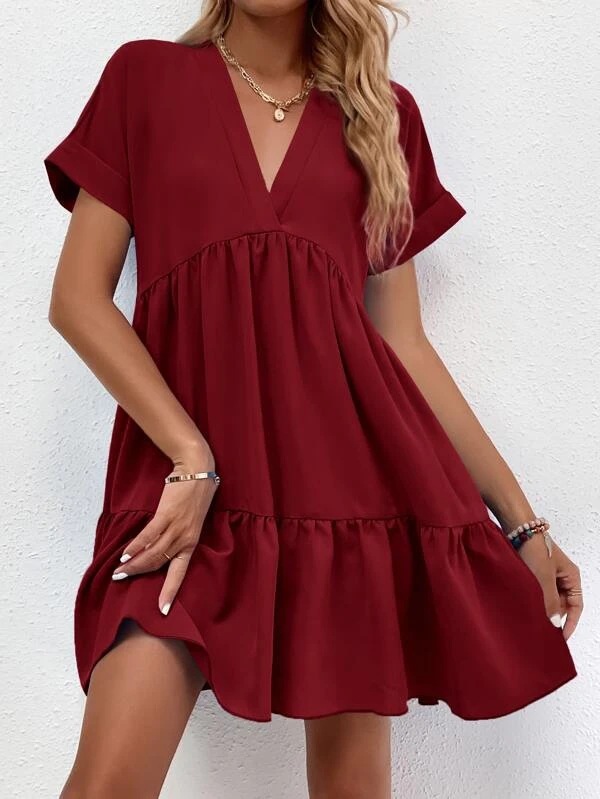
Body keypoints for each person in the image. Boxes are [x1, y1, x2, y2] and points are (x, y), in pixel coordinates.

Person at [44, 2, 582, 798]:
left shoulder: (383, 118)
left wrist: (524, 523)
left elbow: (403, 345)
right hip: (184, 502)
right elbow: (77, 301)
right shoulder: (144, 80)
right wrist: (190, 455)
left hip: (346, 509)